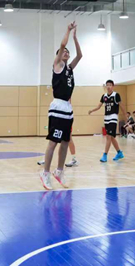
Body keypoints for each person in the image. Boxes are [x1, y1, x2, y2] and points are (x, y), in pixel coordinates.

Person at [40, 22, 82, 190]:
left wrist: (75, 37)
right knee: (53, 142)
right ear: (58, 55)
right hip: (57, 107)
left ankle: (59, 171)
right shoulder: (57, 65)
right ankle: (45, 173)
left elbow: (80, 55)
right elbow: (62, 44)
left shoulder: (70, 68)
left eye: (67, 52)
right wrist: (68, 30)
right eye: (63, 51)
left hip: (67, 108)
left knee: (65, 142)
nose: (66, 52)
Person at [88, 80, 124, 162]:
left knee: (108, 136)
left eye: (110, 85)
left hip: (113, 117)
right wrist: (92, 110)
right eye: (107, 85)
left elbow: (121, 106)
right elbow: (98, 106)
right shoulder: (104, 96)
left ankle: (105, 155)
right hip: (106, 118)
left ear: (113, 86)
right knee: (112, 137)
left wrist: (125, 115)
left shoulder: (116, 95)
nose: (108, 86)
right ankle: (119, 153)